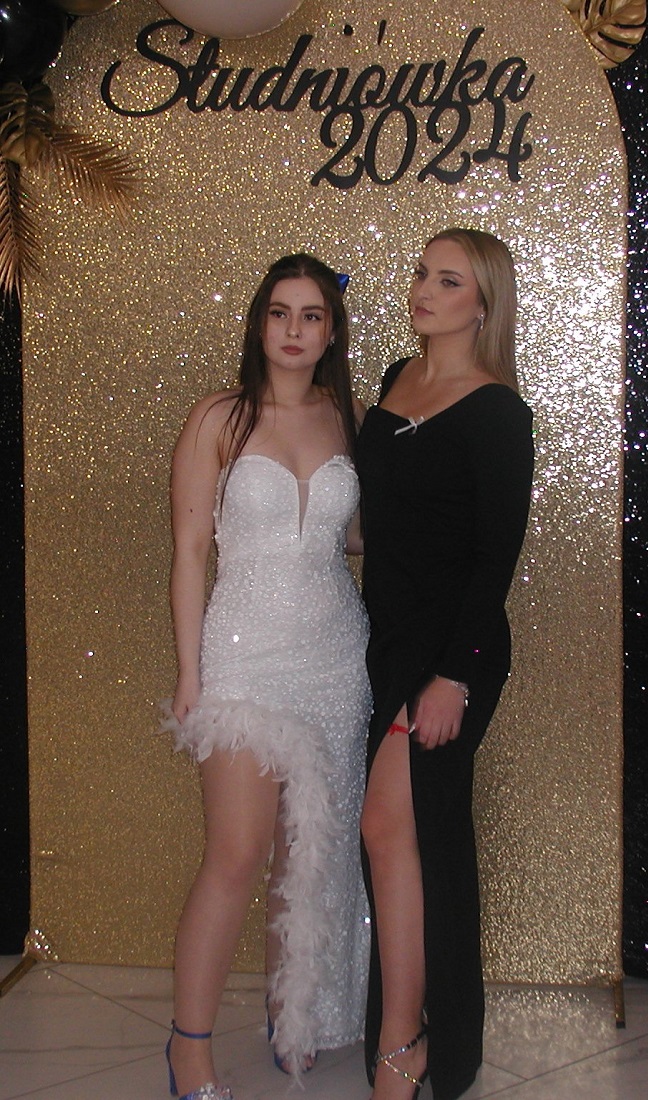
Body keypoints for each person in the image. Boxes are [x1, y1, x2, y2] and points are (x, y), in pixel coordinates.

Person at [161, 254, 371, 1100]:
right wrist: (190, 673)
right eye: (280, 312)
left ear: (331, 331)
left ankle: (298, 1018)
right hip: (244, 655)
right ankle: (189, 1047)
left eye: (311, 315)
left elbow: (351, 537)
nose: (294, 330)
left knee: (309, 854)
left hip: (337, 656)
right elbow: (189, 553)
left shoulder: (348, 418)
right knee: (237, 854)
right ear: (258, 323)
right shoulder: (219, 417)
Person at [357, 228, 534, 1100]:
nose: (425, 289)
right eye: (423, 273)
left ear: (483, 303)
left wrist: (454, 675)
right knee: (405, 839)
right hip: (389, 642)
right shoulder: (399, 376)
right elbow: (384, 517)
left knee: (390, 830)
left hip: (451, 653)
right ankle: (423, 1039)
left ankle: (407, 1047)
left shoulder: (498, 410)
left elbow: (496, 555)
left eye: (449, 280)